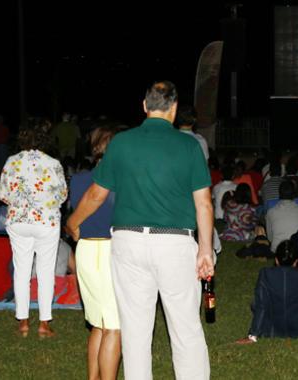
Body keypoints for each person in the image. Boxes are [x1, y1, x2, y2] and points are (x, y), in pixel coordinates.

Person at [66, 81, 214, 379]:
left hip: (128, 242)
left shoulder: (121, 143)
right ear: (173, 109)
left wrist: (72, 222)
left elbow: (97, 194)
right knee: (186, 328)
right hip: (175, 244)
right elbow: (205, 204)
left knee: (134, 331)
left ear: (144, 106)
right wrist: (205, 249)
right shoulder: (188, 145)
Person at [0, 118, 68, 338]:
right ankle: (44, 325)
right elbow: (63, 195)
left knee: (22, 271)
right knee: (46, 272)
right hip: (46, 222)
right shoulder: (53, 163)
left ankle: (23, 323)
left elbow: (3, 195)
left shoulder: (11, 161)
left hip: (19, 221)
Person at [69, 125, 121, 380]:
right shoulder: (121, 181)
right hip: (110, 250)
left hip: (86, 250)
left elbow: (73, 220)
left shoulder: (77, 180)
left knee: (98, 324)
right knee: (114, 326)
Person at [265, 180, 298, 252]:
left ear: (279, 193)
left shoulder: (270, 212)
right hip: (296, 250)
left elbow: (270, 238)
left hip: (277, 250)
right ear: (294, 194)